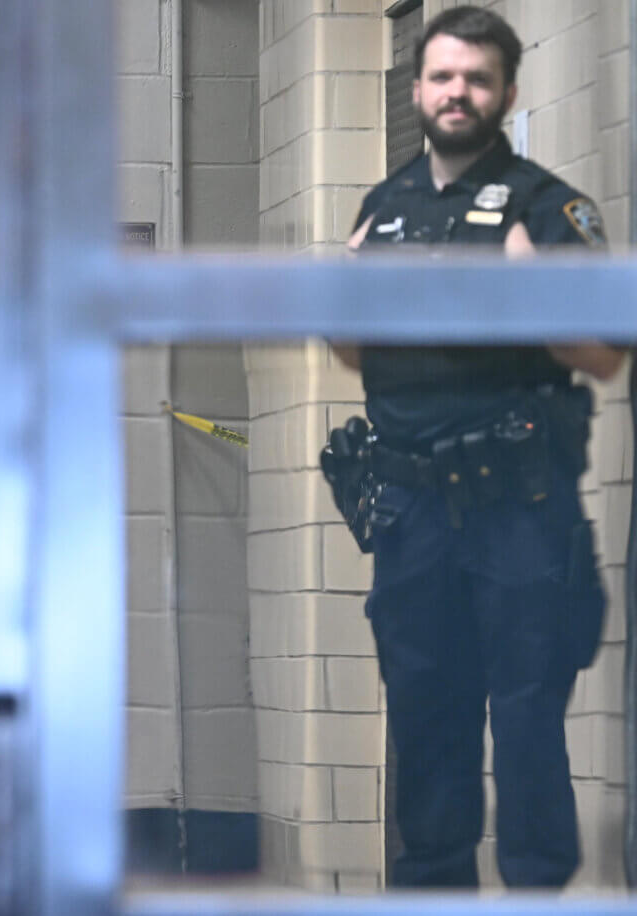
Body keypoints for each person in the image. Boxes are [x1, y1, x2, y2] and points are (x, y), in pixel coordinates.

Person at [327, 5, 624, 889]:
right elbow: (348, 351)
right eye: (444, 76)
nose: (459, 93)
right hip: (413, 510)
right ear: (418, 89)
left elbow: (607, 356)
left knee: (529, 720)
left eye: (478, 79)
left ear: (507, 93)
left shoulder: (549, 205)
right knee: (426, 719)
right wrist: (342, 305)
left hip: (520, 507)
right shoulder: (383, 211)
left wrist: (534, 298)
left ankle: (541, 900)